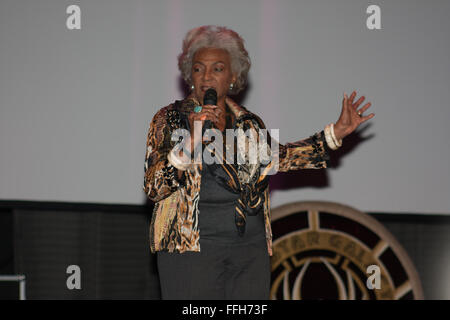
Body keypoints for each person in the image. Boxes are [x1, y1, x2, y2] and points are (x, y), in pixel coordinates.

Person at [143, 25, 374, 300]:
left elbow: (283, 158)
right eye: (198, 68)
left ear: (233, 77)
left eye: (217, 68)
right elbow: (154, 187)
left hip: (248, 251)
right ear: (189, 76)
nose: (206, 76)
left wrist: (334, 134)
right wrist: (190, 142)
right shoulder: (169, 119)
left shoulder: (248, 123)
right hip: (190, 250)